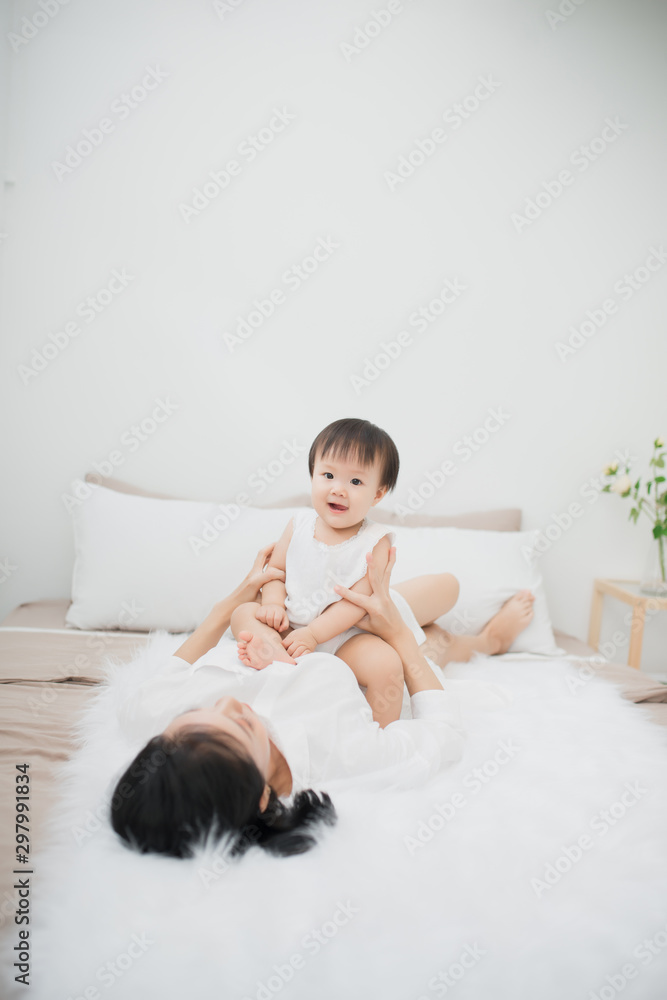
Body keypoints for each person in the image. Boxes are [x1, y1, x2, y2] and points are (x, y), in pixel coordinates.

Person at [110, 542, 521, 863]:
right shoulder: (343, 757)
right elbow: (443, 733)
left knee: (445, 589)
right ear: (262, 797)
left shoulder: (154, 720)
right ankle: (488, 642)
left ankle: (434, 637)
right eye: (240, 727)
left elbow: (172, 672)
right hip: (368, 661)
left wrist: (235, 600)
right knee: (429, 645)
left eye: (197, 713)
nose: (229, 704)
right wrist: (397, 634)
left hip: (304, 622)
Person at [230, 417, 463, 727]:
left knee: (387, 664)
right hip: (286, 628)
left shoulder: (375, 541)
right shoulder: (298, 525)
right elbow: (277, 571)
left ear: (377, 494)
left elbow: (356, 603)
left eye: (355, 482)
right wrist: (272, 604)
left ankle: (376, 734)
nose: (338, 489)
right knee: (244, 611)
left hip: (344, 636)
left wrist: (314, 634)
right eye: (328, 475)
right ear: (312, 476)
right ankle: (272, 650)